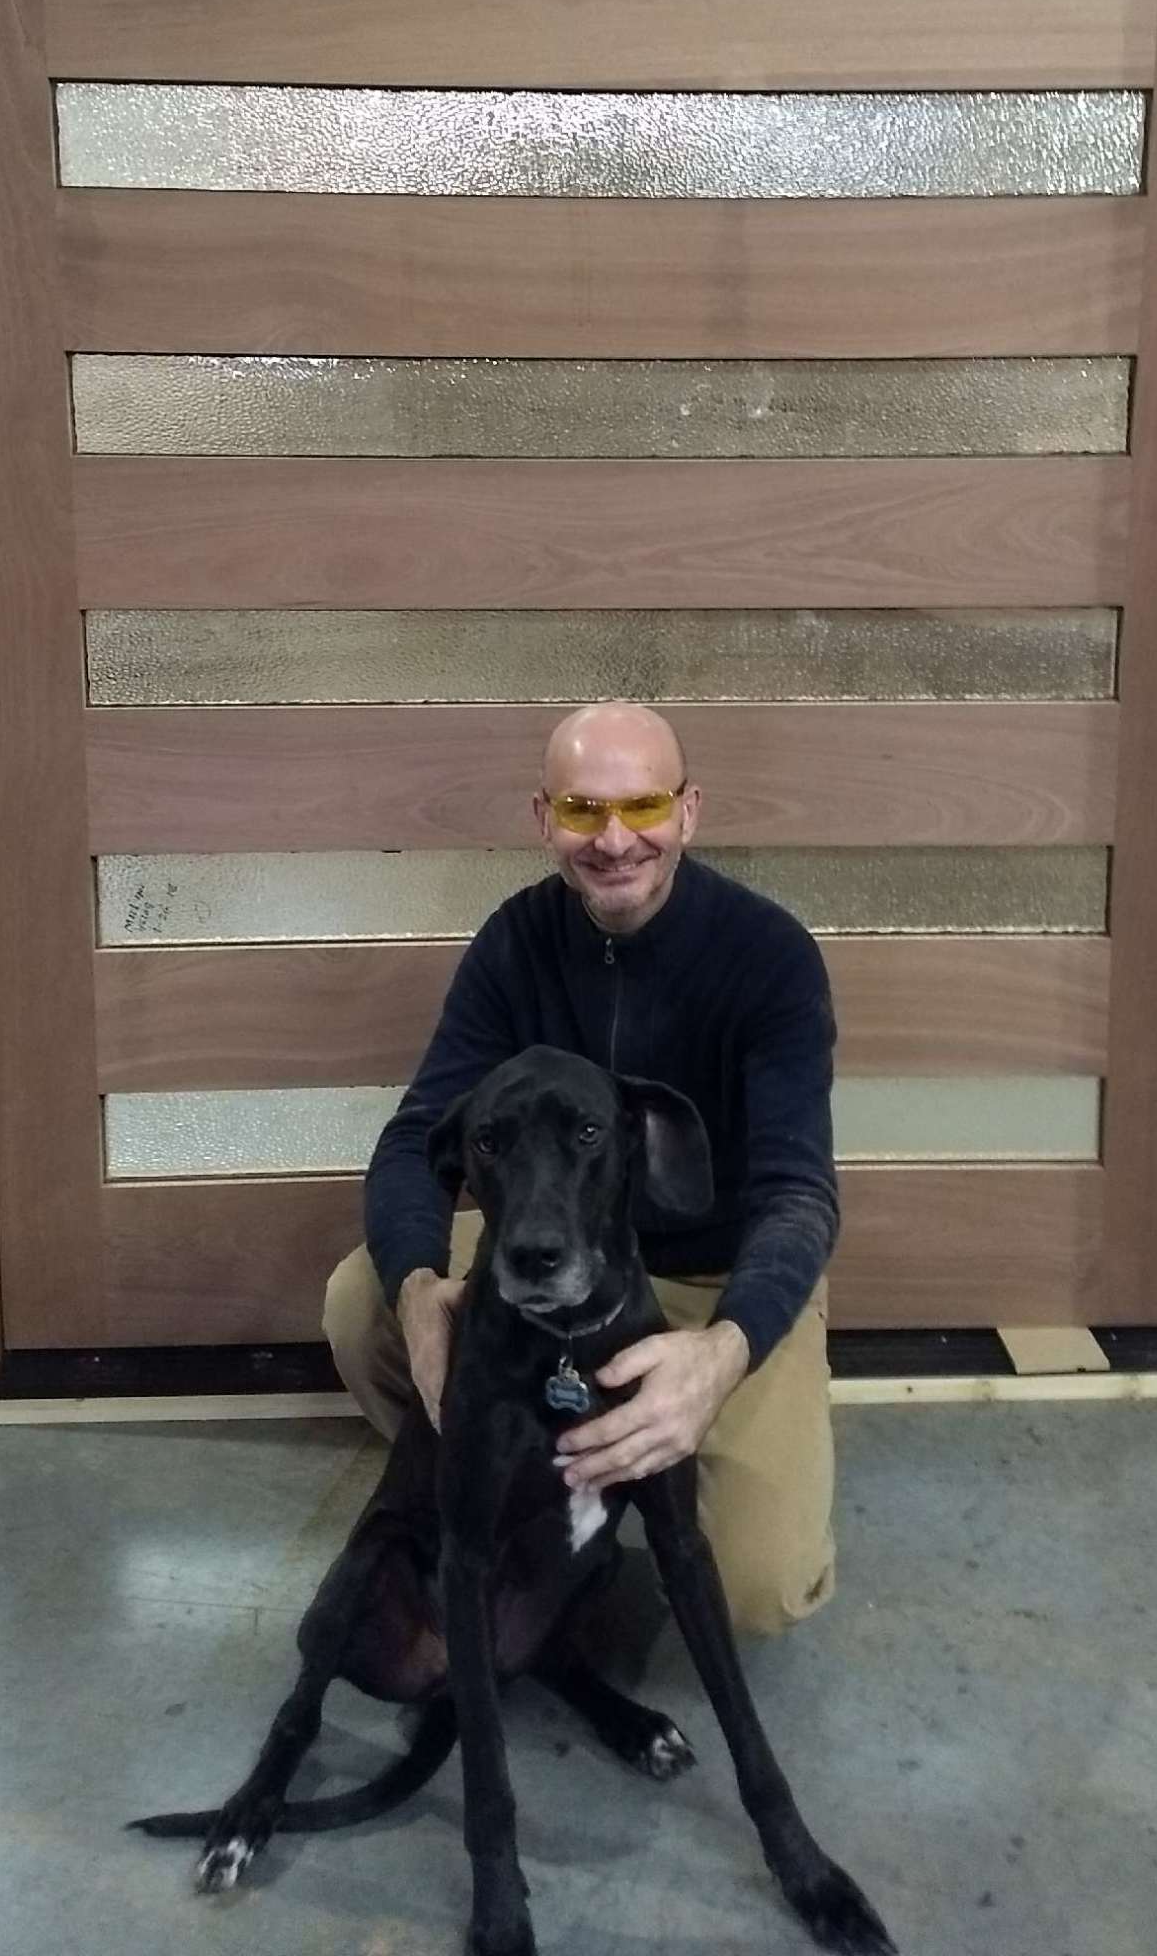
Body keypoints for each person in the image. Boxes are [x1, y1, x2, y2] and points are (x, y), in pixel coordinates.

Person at [323, 700, 840, 1638]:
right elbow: (415, 1141)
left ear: (688, 811)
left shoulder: (770, 959)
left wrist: (724, 1355)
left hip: (707, 1279)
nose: (613, 841)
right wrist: (416, 1290)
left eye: (642, 807)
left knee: (758, 1589)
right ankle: (524, 1485)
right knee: (358, 1305)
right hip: (547, 1240)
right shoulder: (514, 943)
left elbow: (799, 1197)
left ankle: (640, 1468)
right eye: (581, 810)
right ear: (542, 818)